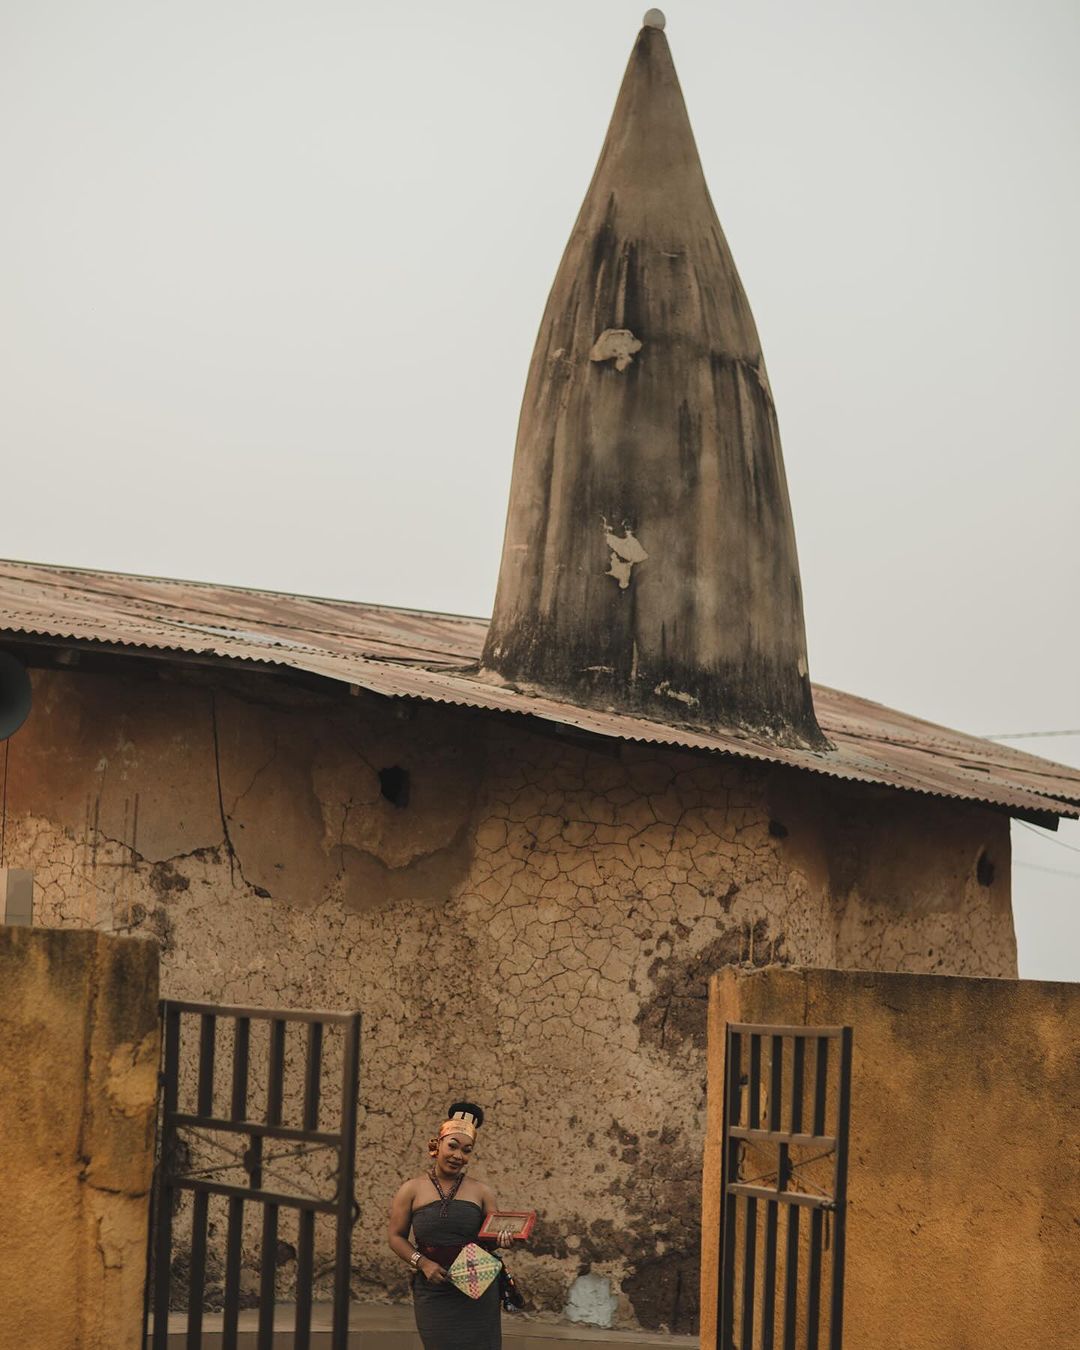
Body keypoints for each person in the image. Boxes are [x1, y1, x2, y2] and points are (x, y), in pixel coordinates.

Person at [388, 1101, 513, 1350]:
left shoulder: (482, 1192)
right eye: (452, 1146)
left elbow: (491, 1235)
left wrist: (504, 1239)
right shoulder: (411, 1189)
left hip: (477, 1285)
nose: (458, 1155)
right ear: (438, 1144)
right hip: (433, 1288)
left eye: (466, 1150)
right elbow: (395, 1237)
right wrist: (422, 1263)